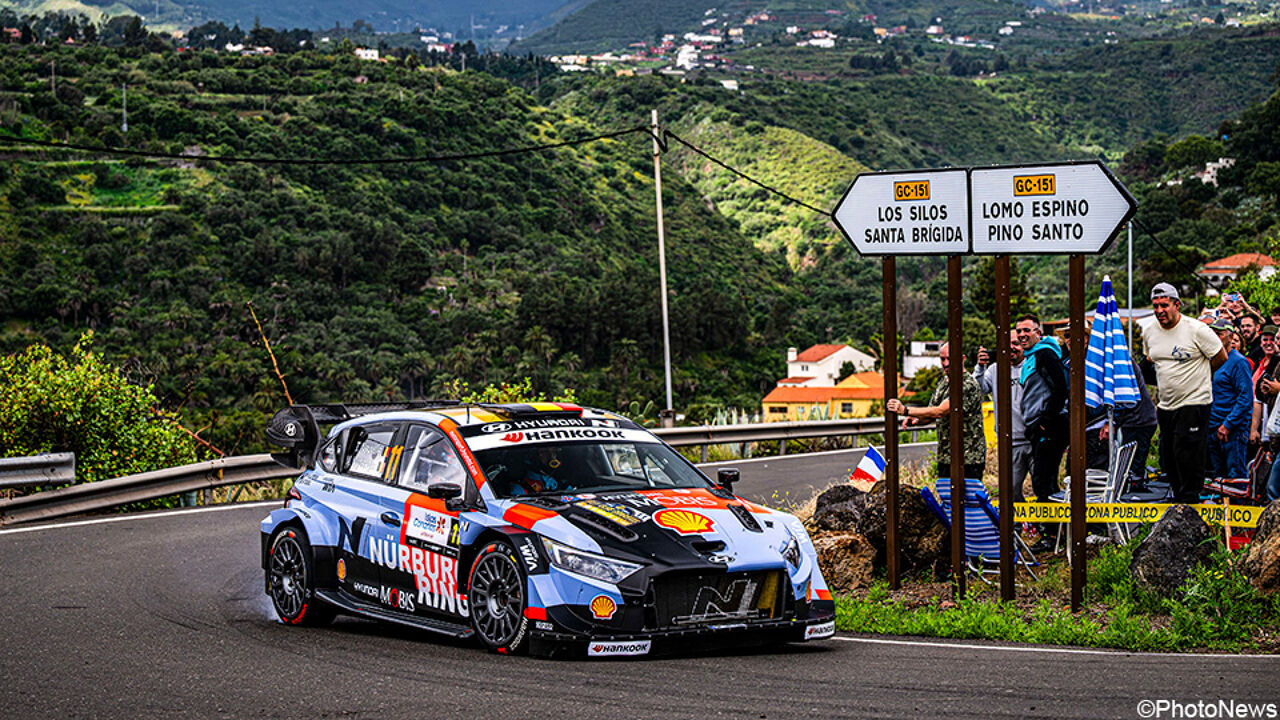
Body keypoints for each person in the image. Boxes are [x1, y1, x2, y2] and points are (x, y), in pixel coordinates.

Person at [1141, 282, 1227, 503]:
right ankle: (1178, 498)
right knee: (1168, 455)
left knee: (1186, 451)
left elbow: (1220, 356)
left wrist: (1200, 378)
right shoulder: (1149, 331)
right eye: (1156, 306)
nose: (1160, 310)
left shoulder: (1196, 329)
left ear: (1177, 305)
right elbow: (1151, 359)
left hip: (1195, 400)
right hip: (1167, 404)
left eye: (1164, 305)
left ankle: (1190, 500)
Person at [886, 343, 986, 479]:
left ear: (962, 359)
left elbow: (940, 411)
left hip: (968, 458)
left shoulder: (968, 385)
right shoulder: (944, 382)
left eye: (950, 359)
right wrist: (917, 420)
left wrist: (905, 410)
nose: (945, 364)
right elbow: (931, 412)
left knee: (967, 499)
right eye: (942, 359)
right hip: (946, 456)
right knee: (946, 498)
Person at [1017, 314, 1069, 513]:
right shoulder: (1031, 357)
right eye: (1019, 330)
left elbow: (1060, 389)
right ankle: (1053, 530)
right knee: (1045, 480)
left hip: (1050, 426)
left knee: (1043, 481)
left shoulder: (1044, 354)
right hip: (1039, 426)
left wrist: (1044, 421)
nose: (1022, 335)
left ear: (1038, 333)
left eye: (1027, 330)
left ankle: (1050, 533)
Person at [973, 331, 1030, 503]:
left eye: (1016, 343)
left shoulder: (1032, 365)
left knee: (1042, 487)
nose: (1011, 348)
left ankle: (1043, 527)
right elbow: (978, 390)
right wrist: (980, 367)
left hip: (1035, 439)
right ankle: (1020, 525)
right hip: (1010, 442)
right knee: (1010, 489)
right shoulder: (995, 369)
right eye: (1007, 344)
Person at [1206, 319, 1254, 480]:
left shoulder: (1238, 362)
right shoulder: (1212, 359)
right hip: (1213, 427)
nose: (1215, 337)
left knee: (1235, 476)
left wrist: (1228, 424)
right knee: (1218, 478)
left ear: (1230, 337)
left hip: (1232, 431)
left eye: (1219, 334)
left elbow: (1245, 398)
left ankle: (1239, 505)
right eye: (1213, 333)